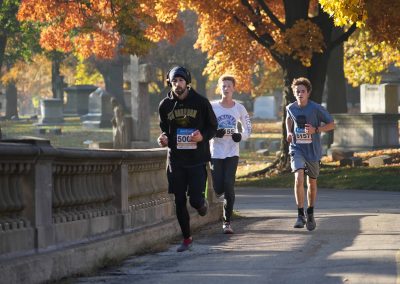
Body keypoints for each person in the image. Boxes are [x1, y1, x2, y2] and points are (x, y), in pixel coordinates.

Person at [157, 66, 217, 252]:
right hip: (176, 160)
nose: (177, 85)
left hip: (197, 159)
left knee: (195, 200)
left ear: (187, 82)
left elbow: (213, 127)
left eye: (181, 81)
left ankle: (202, 203)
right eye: (174, 81)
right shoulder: (165, 105)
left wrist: (202, 137)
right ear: (170, 82)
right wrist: (163, 138)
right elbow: (164, 129)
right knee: (179, 200)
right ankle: (187, 238)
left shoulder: (200, 102)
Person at [286, 77, 335, 231]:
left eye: (303, 91)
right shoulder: (291, 108)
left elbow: (332, 124)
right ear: (294, 93)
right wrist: (289, 132)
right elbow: (289, 119)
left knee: (311, 183)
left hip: (313, 151)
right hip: (297, 148)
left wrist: (316, 130)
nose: (300, 94)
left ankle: (310, 212)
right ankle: (300, 215)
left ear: (308, 93)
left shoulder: (316, 108)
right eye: (297, 91)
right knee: (298, 177)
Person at [210, 75, 251, 234]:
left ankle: (227, 222)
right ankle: (219, 193)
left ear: (234, 88)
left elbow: (248, 128)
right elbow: (205, 127)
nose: (226, 89)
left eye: (229, 86)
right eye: (223, 86)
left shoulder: (239, 108)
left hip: (232, 152)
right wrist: (215, 133)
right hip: (216, 152)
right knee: (218, 187)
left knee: (228, 185)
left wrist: (241, 136)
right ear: (219, 88)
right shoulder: (212, 107)